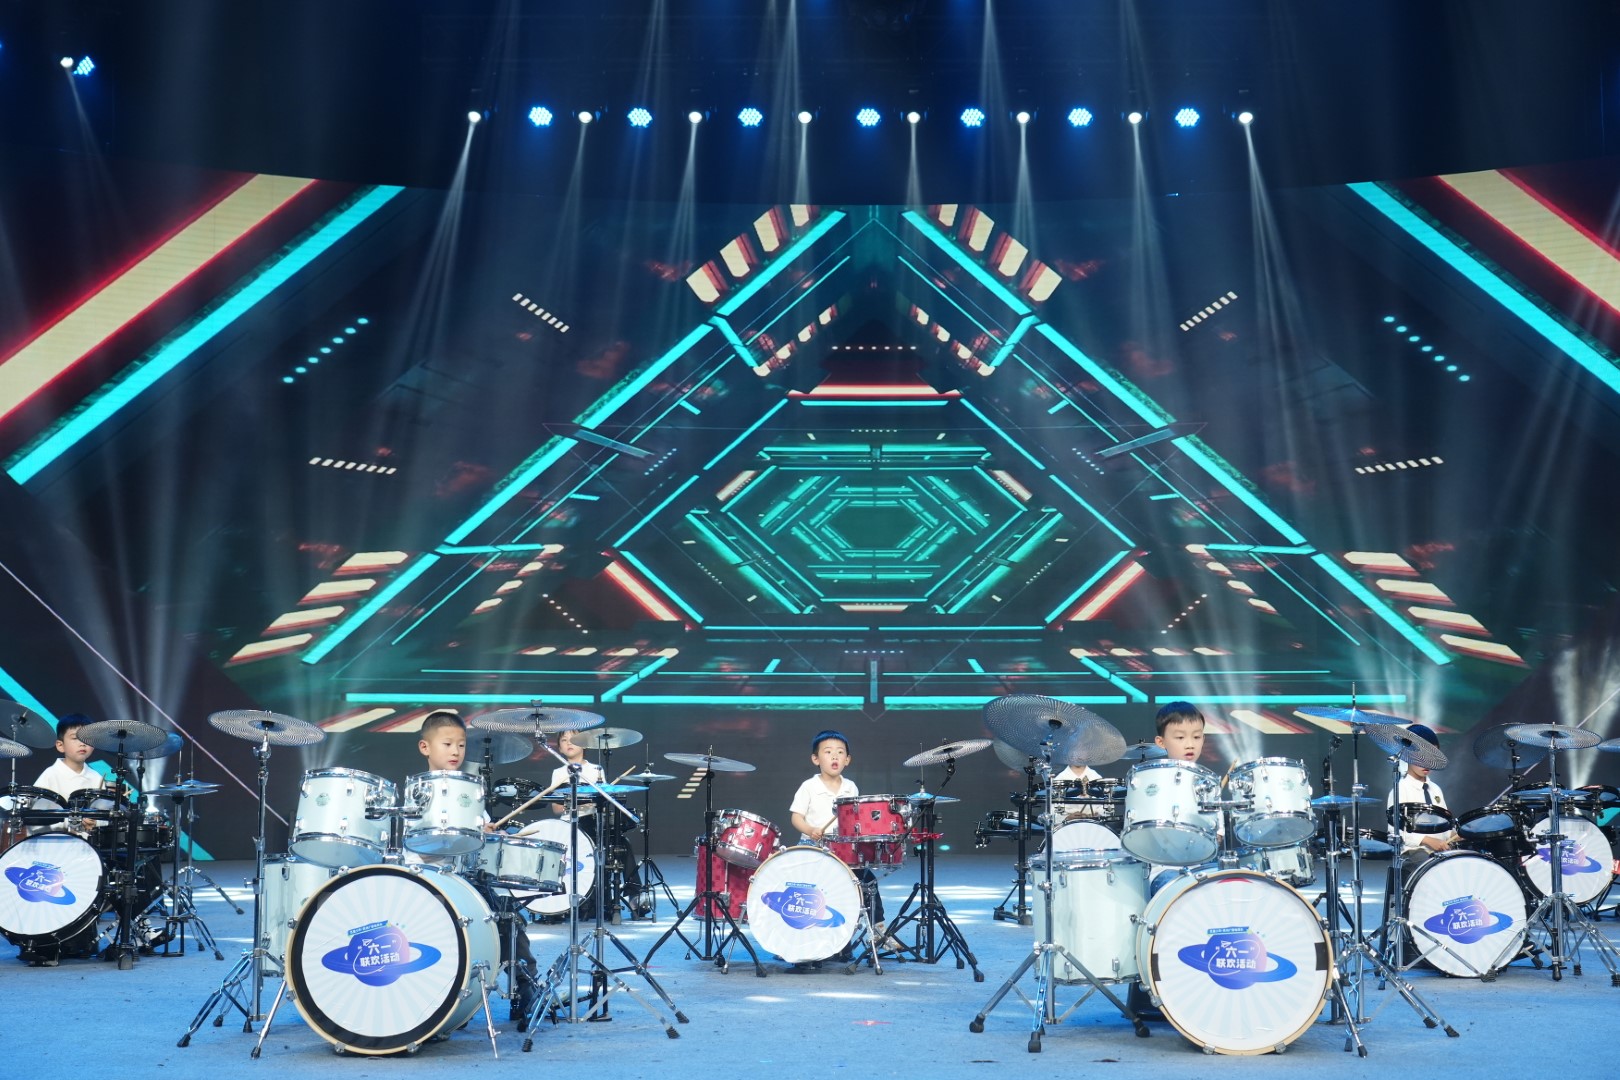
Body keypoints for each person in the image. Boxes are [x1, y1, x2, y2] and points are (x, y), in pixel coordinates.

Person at [413, 711, 536, 1018]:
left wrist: (489, 833)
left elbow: (481, 836)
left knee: (508, 916)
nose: (455, 751)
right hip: (429, 880)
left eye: (461, 745)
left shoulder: (469, 794)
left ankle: (526, 988)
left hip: (466, 879)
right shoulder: (417, 792)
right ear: (425, 747)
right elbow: (417, 847)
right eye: (447, 744)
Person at [789, 730, 886, 962]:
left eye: (840, 752)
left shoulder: (850, 787)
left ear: (847, 760)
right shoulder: (809, 786)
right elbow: (796, 817)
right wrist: (810, 829)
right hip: (814, 849)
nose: (835, 756)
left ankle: (878, 933)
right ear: (816, 759)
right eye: (828, 752)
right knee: (820, 893)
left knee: (867, 882)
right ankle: (810, 942)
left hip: (842, 850)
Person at [1386, 724, 1456, 860]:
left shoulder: (1436, 789)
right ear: (1407, 754)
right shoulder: (1400, 790)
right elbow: (1395, 831)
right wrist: (1427, 840)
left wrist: (1457, 834)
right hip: (1413, 854)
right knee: (1426, 860)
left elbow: (1444, 828)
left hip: (1439, 853)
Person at [33, 714, 106, 800]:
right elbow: (36, 804)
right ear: (60, 745)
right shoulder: (50, 775)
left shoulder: (96, 778)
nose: (82, 743)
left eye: (87, 738)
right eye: (75, 738)